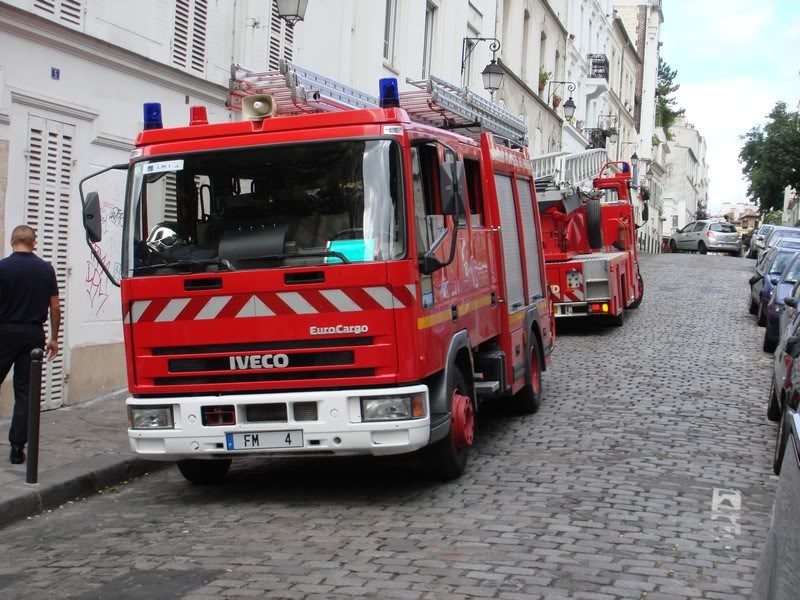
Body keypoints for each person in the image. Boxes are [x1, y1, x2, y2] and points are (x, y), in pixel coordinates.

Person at [0, 225, 60, 464]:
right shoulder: (46, 270)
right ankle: (17, 447)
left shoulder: (2, 268)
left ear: (12, 242)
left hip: (4, 331)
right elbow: (54, 307)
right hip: (33, 333)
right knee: (25, 391)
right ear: (34, 243)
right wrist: (54, 337)